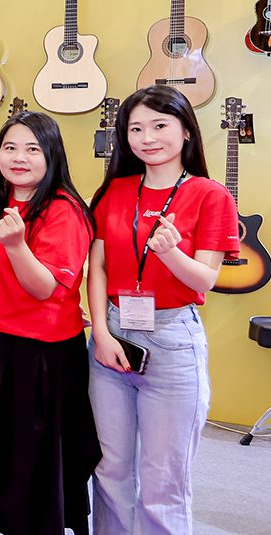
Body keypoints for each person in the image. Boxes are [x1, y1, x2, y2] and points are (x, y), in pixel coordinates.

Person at [87, 85, 240, 534]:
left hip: (172, 340)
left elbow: (204, 279)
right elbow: (97, 268)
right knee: (109, 468)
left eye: (159, 125)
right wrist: (101, 334)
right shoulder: (114, 191)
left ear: (186, 131)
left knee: (163, 478)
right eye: (136, 129)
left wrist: (170, 252)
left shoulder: (210, 194)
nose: (147, 137)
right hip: (112, 335)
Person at [0, 111, 100, 535]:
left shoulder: (64, 210)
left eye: (32, 149)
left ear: (51, 154)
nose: (19, 158)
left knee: (33, 465)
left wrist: (17, 246)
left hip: (41, 354)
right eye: (10, 148)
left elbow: (43, 288)